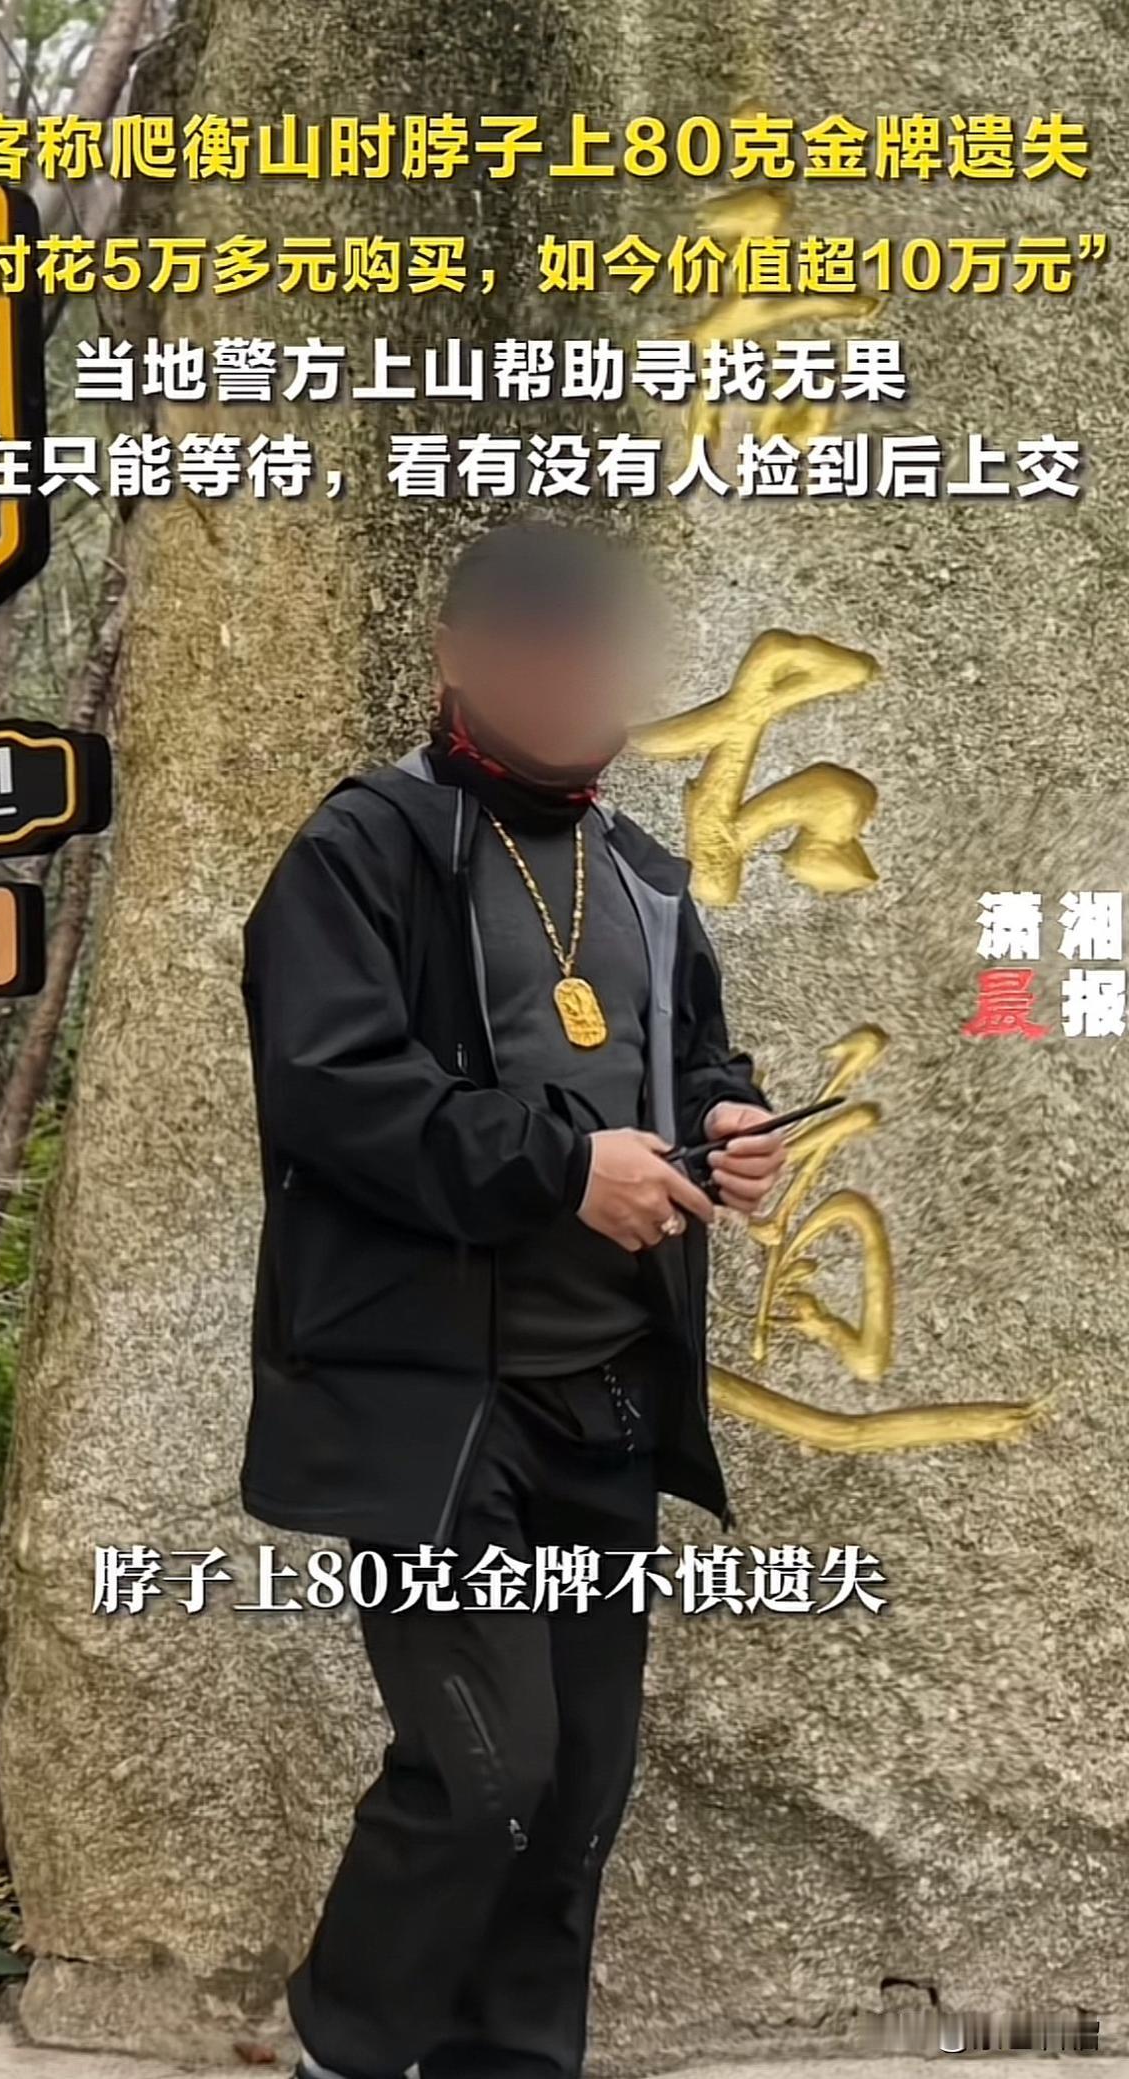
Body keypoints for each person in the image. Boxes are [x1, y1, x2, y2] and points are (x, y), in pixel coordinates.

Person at [240, 521, 787, 2079]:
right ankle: (345, 2049)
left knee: (579, 1791)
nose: (568, 677)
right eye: (533, 647)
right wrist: (562, 1171)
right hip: (430, 1409)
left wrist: (727, 1124)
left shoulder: (646, 875)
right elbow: (334, 1090)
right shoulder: (365, 849)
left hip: (603, 1392)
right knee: (486, 1772)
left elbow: (692, 1059)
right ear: (459, 659)